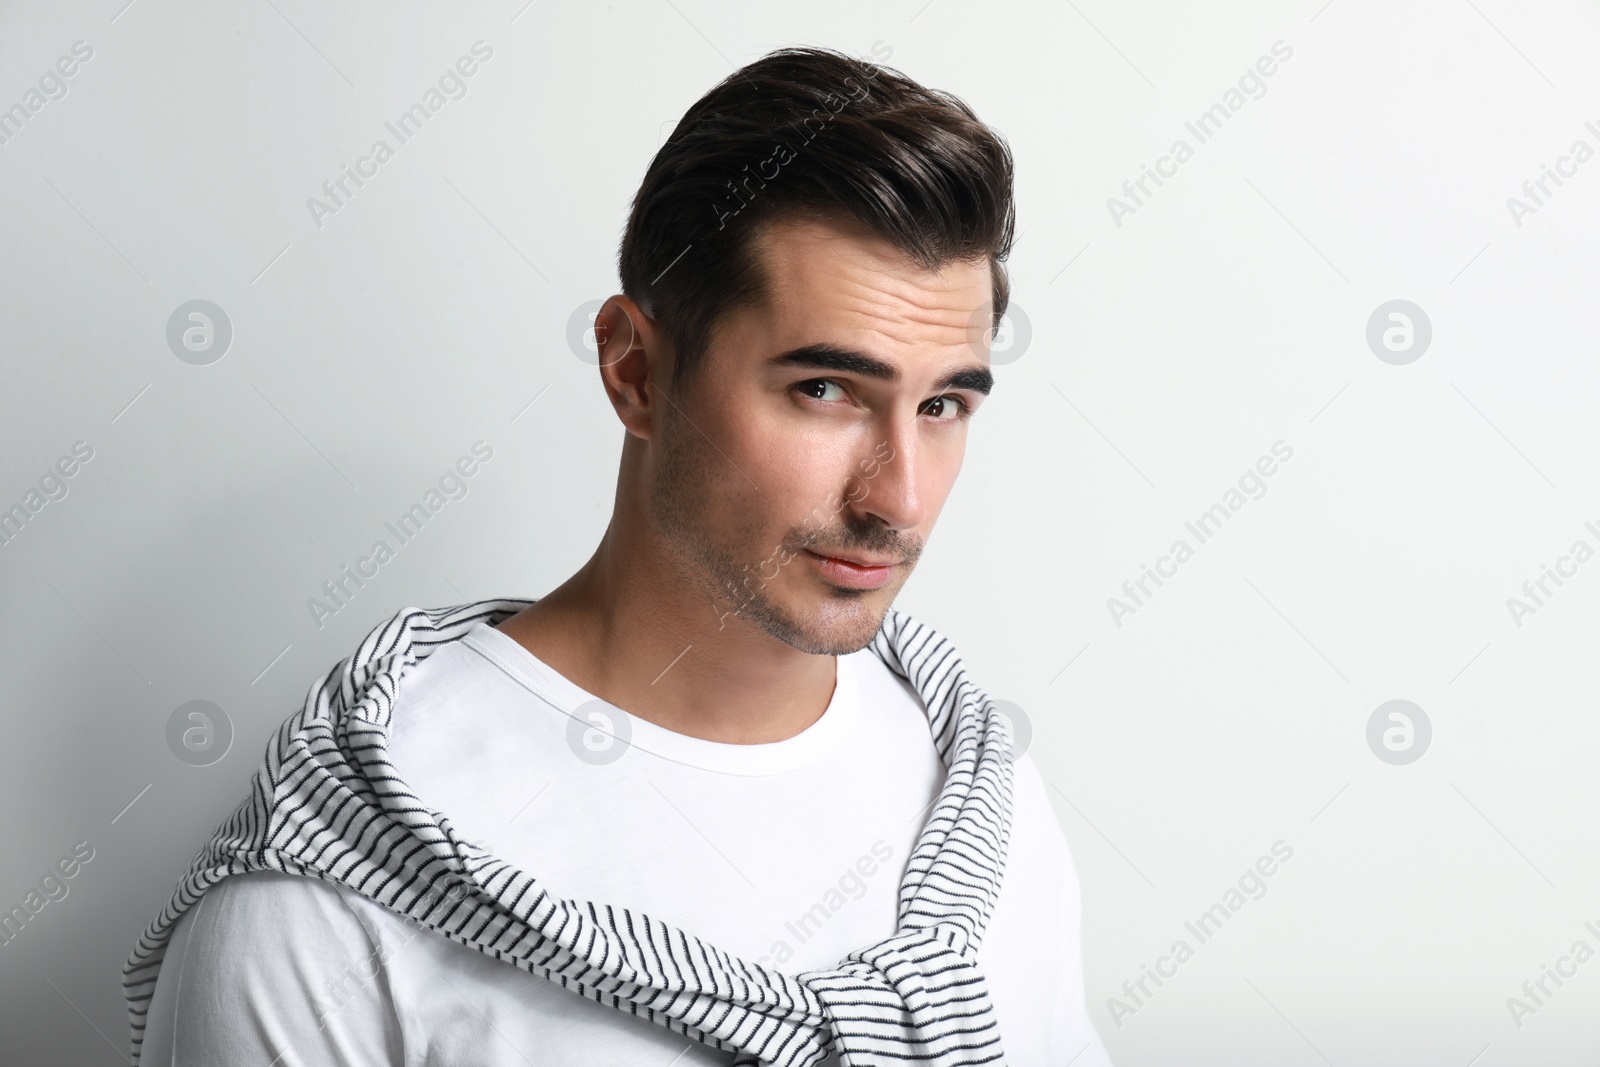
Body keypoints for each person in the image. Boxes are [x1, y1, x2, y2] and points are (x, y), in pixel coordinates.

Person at [127, 45, 1114, 1067]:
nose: (898, 497)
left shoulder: (979, 801)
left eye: (942, 404)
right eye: (824, 389)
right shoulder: (324, 903)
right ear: (634, 369)